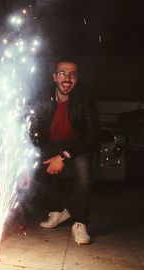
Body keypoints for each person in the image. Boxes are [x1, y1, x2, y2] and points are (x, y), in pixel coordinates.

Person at [32, 58, 99, 245]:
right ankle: (58, 210)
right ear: (55, 77)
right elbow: (34, 129)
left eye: (72, 74)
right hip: (53, 144)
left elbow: (92, 136)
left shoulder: (85, 98)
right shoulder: (43, 97)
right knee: (33, 162)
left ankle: (80, 223)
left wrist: (63, 155)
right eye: (62, 73)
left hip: (80, 146)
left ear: (77, 79)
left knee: (82, 166)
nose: (67, 78)